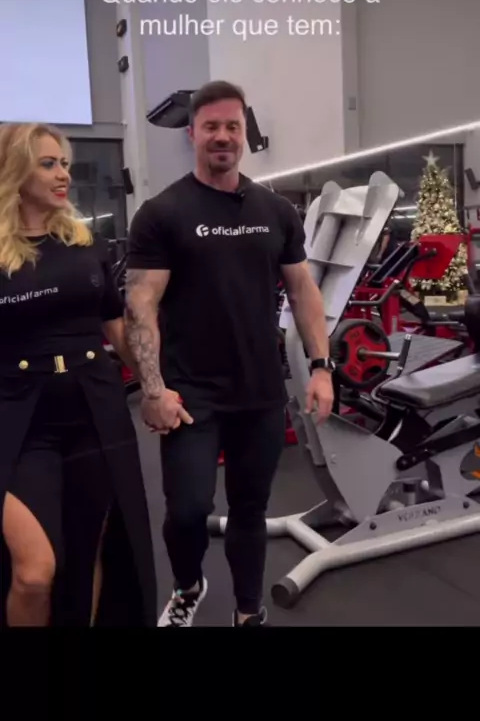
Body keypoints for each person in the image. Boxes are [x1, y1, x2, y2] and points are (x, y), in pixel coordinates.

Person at [125, 80, 334, 627]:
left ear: (244, 133)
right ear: (192, 134)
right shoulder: (162, 212)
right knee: (187, 510)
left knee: (249, 509)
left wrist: (321, 368)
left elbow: (303, 291)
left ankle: (248, 609)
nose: (223, 136)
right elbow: (141, 305)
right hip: (190, 394)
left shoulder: (275, 210)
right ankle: (188, 585)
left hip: (258, 392)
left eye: (233, 127)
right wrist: (153, 390)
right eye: (211, 127)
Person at [0, 122, 157, 627]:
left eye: (64, 163)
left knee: (90, 550)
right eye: (48, 164)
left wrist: (156, 388)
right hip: (19, 421)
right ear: (16, 171)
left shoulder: (85, 243)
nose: (63, 174)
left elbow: (117, 326)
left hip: (95, 411)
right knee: (35, 571)